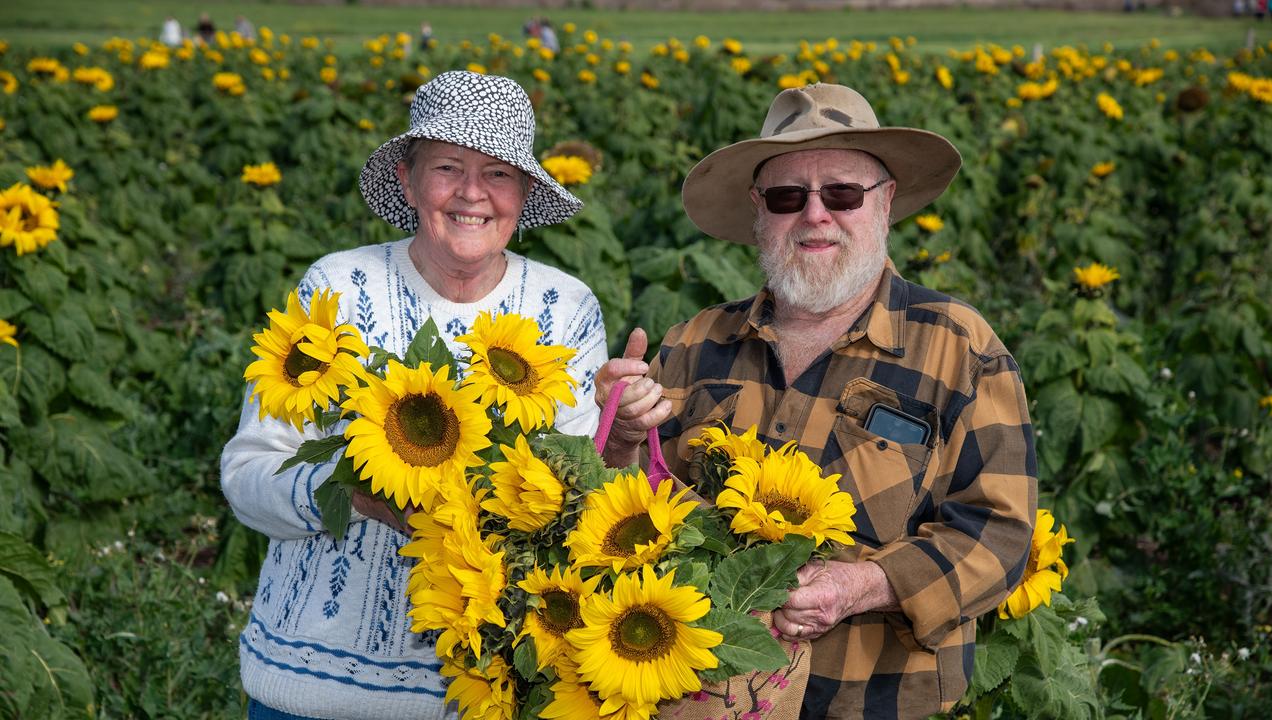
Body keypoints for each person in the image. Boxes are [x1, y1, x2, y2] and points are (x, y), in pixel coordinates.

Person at [595, 83, 1037, 720]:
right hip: (704, 698)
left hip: (874, 700)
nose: (815, 214)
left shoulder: (959, 347)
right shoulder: (695, 341)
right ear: (758, 211)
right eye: (787, 196)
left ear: (885, 204)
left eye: (842, 193)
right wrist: (621, 436)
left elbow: (1000, 534)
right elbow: (632, 503)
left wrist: (861, 586)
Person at [221, 71, 608, 720]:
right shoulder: (339, 286)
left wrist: (615, 440)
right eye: (448, 167)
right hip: (313, 692)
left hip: (485, 692)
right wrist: (347, 492)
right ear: (407, 179)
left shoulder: (563, 308)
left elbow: (575, 501)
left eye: (499, 173)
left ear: (524, 191)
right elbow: (247, 473)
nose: (472, 194)